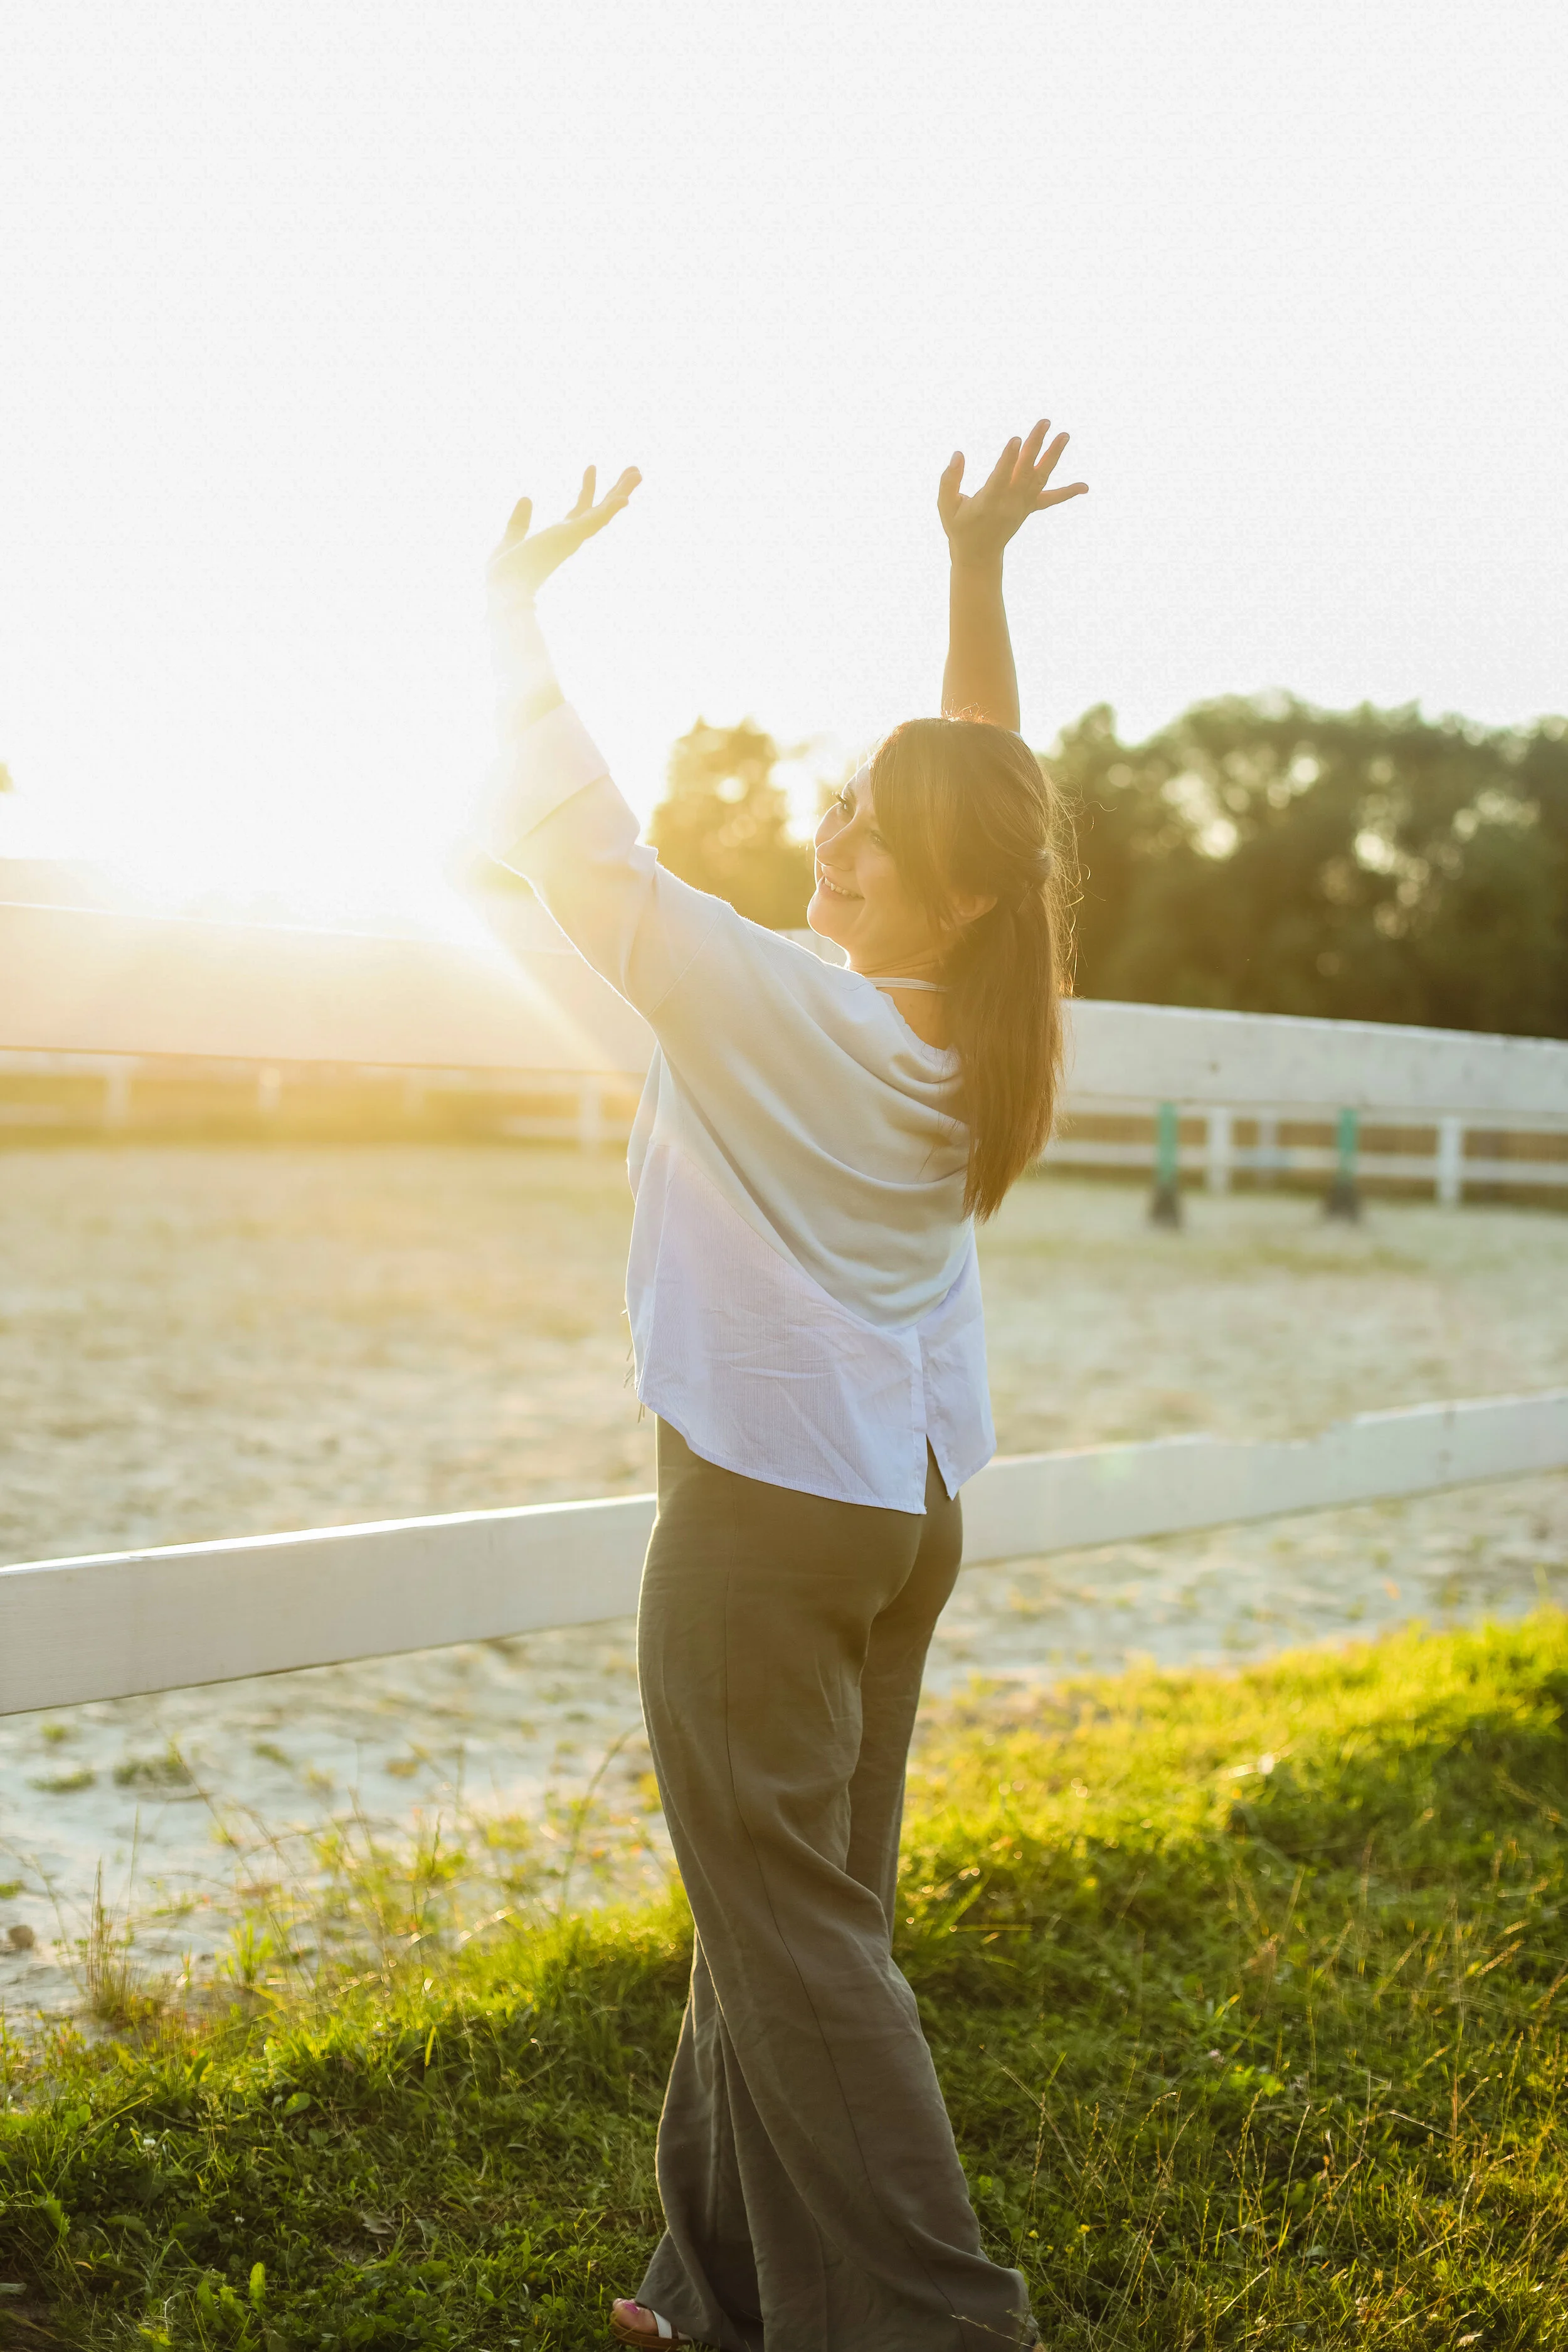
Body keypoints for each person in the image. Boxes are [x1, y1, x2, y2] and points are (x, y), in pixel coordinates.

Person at [481, 420, 1087, 2352]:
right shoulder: (969, 1028)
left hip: (759, 1519)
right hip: (894, 1505)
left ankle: (938, 2325)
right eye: (837, 810)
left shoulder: (779, 1003)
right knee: (789, 1915)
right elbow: (980, 799)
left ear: (951, 893)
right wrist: (974, 577)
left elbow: (579, 844)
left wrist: (504, 620)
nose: (834, 843)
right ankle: (713, 2287)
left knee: (799, 1939)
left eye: (868, 840)